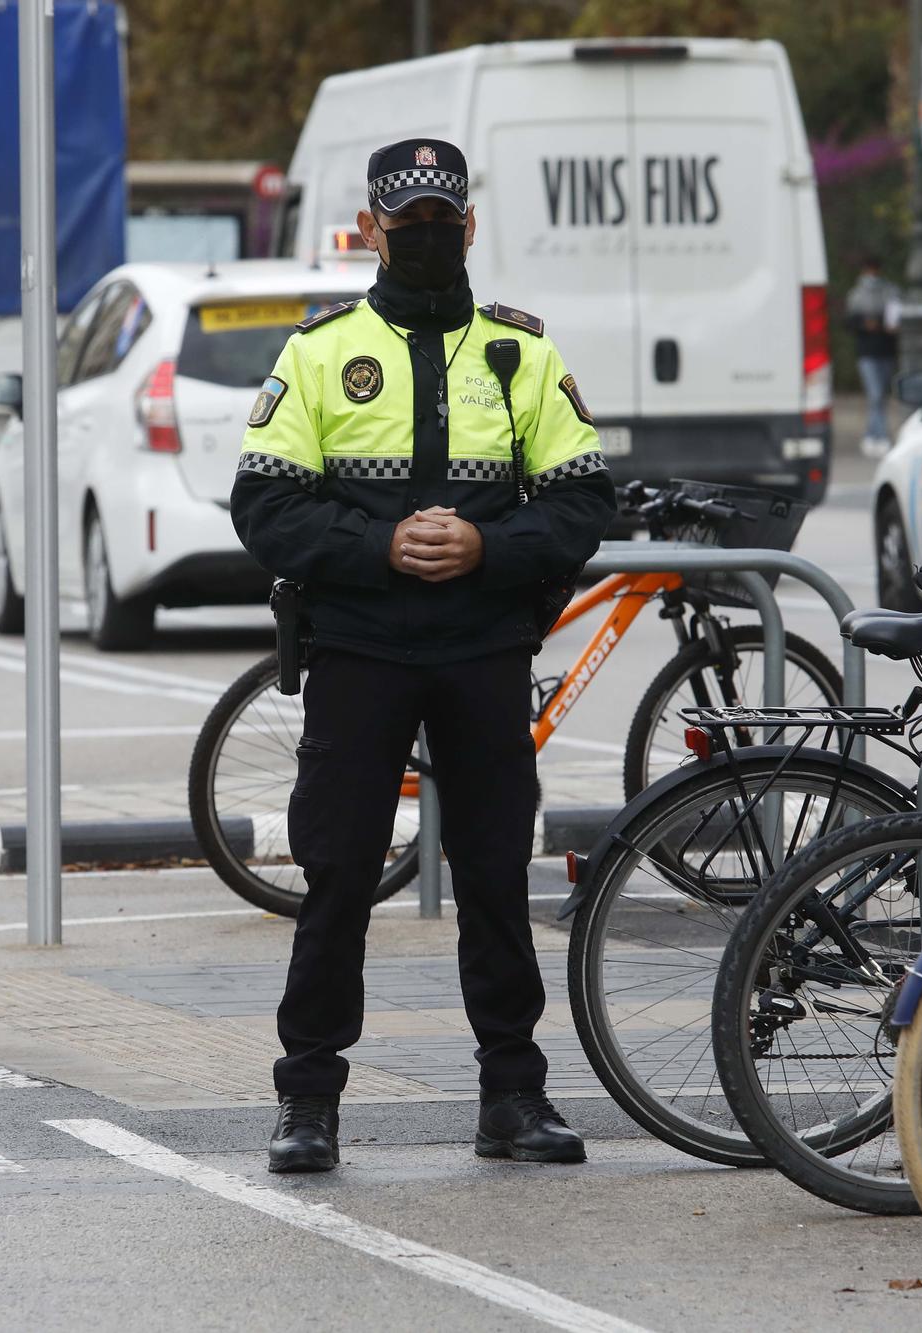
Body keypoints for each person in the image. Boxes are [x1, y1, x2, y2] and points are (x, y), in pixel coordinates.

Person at [230, 139, 615, 1173]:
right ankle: (306, 1099)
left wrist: (489, 545)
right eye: (409, 225)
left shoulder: (520, 351)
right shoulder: (317, 353)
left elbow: (584, 497)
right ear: (370, 230)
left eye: (444, 220)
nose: (429, 237)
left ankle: (512, 1096)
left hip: (483, 646)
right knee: (338, 874)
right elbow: (262, 504)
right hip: (359, 647)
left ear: (471, 226)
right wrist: (377, 546)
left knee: (494, 874)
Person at [844, 256, 900, 457]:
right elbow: (849, 322)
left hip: (885, 349)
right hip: (867, 351)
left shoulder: (889, 291)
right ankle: (880, 435)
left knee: (880, 396)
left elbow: (895, 315)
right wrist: (864, 325)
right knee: (875, 394)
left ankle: (871, 433)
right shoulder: (857, 295)